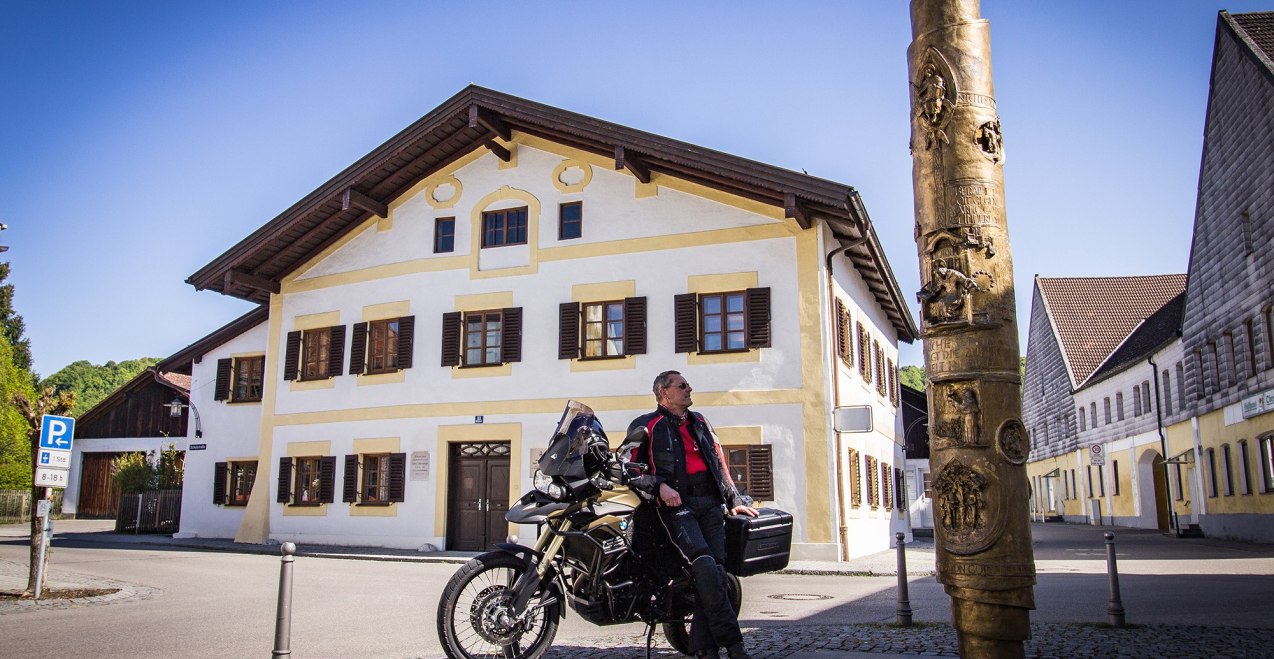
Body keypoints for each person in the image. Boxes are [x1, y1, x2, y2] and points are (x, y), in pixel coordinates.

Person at [628, 370, 758, 659]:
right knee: (705, 568)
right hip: (677, 507)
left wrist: (733, 499)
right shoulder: (646, 425)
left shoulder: (700, 421)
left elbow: (719, 459)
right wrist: (658, 486)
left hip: (710, 505)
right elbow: (630, 469)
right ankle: (735, 647)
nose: (689, 389)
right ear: (664, 393)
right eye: (682, 385)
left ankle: (704, 650)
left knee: (715, 574)